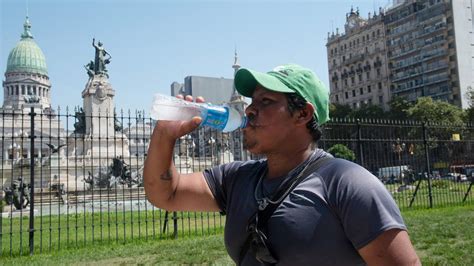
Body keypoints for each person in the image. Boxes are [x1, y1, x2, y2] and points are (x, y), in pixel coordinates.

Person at [144, 64, 420, 265]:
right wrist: (165, 134)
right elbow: (166, 193)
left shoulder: (348, 184)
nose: (250, 110)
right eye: (252, 101)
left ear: (303, 114)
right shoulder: (238, 178)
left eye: (266, 101)